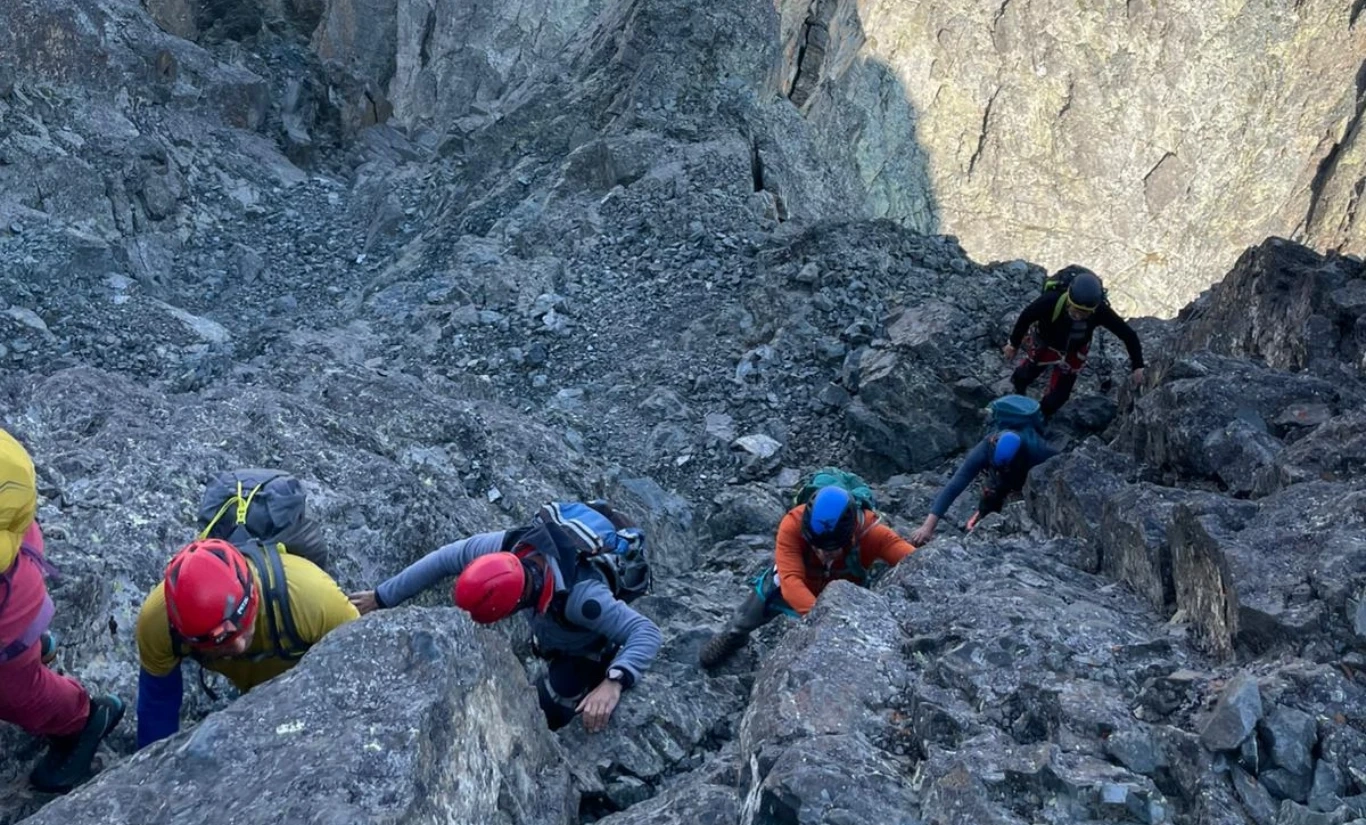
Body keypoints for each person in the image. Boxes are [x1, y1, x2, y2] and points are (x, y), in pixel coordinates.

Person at [349, 502, 662, 734]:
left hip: (585, 647)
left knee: (550, 711)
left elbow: (645, 632)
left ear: (514, 606)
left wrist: (614, 681)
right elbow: (444, 558)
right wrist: (382, 597)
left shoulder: (583, 599)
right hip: (555, 631)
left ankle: (589, 675)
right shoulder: (509, 546)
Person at [134, 537, 359, 749]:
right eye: (221, 644)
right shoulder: (158, 624)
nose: (240, 645)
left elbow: (364, 669)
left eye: (243, 626)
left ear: (254, 596)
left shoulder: (315, 600)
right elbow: (157, 708)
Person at [0, 429, 124, 793]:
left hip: (8, 612)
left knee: (16, 695)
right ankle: (37, 647)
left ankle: (84, 718)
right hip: (20, 573)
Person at [698, 486, 915, 669]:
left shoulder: (873, 533)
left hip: (845, 590)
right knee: (750, 612)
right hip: (800, 581)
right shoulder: (792, 524)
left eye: (830, 550)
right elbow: (791, 581)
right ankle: (733, 635)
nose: (822, 555)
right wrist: (827, 623)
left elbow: (917, 561)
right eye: (816, 547)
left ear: (851, 535)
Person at [1004, 266, 1144, 418]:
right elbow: (1025, 318)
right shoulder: (1051, 300)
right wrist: (1013, 344)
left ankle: (1041, 415)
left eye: (1084, 313)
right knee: (1026, 374)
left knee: (1060, 395)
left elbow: (1128, 335)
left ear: (1093, 309)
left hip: (1074, 351)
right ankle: (1018, 390)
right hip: (1046, 342)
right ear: (1068, 299)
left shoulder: (1100, 311)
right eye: (1075, 310)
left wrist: (1138, 366)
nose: (1078, 316)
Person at [909, 429, 1059, 545]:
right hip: (1000, 474)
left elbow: (1059, 469)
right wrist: (928, 527)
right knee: (992, 494)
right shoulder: (985, 448)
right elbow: (955, 484)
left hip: (1025, 475)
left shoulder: (1038, 451)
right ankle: (983, 515)